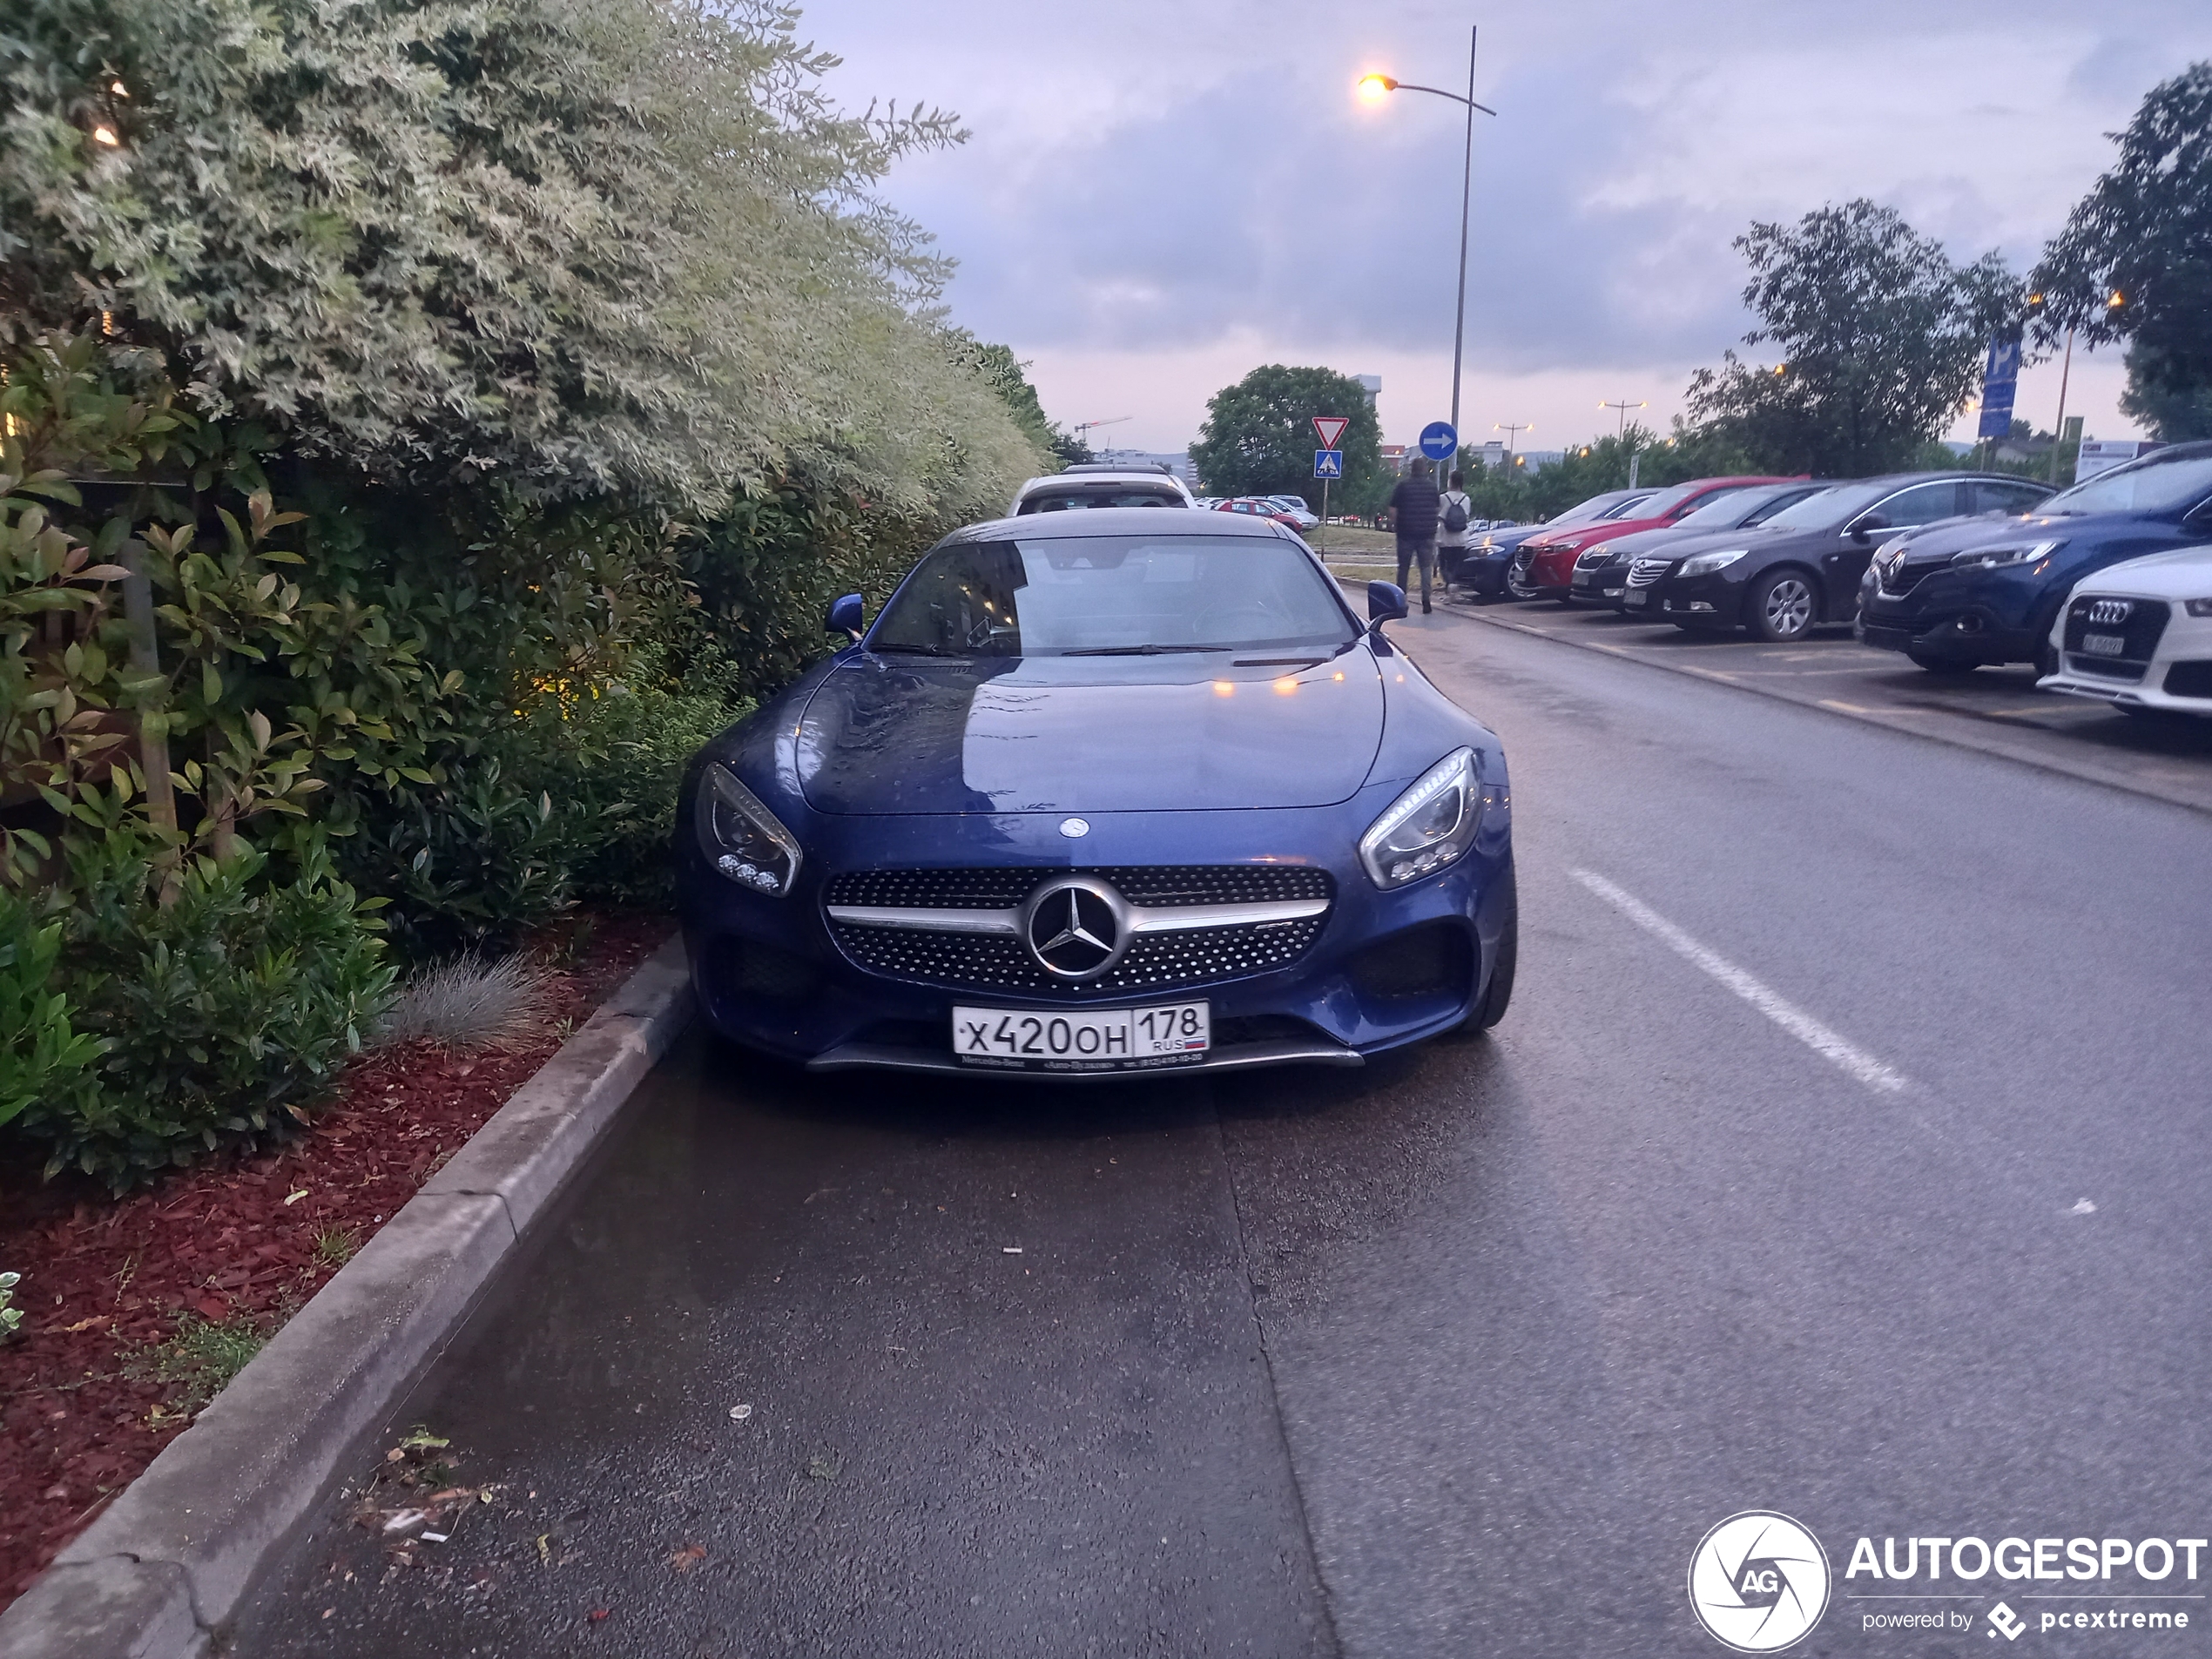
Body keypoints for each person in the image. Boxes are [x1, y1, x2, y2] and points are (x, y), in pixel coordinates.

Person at [1386, 457, 1440, 613]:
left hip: (1406, 532)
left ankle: (1401, 600)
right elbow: (1437, 508)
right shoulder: (1432, 487)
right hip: (1427, 534)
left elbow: (1392, 509)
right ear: (1424, 469)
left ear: (1412, 469)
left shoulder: (1402, 486)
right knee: (1425, 567)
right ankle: (1426, 599)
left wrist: (1395, 524)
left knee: (1403, 568)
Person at [1436, 469, 1474, 598]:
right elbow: (1466, 516)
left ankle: (1450, 585)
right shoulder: (1466, 499)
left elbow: (1439, 516)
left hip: (1445, 538)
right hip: (1461, 538)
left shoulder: (1443, 498)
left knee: (1444, 565)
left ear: (1450, 481)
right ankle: (1452, 589)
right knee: (1455, 566)